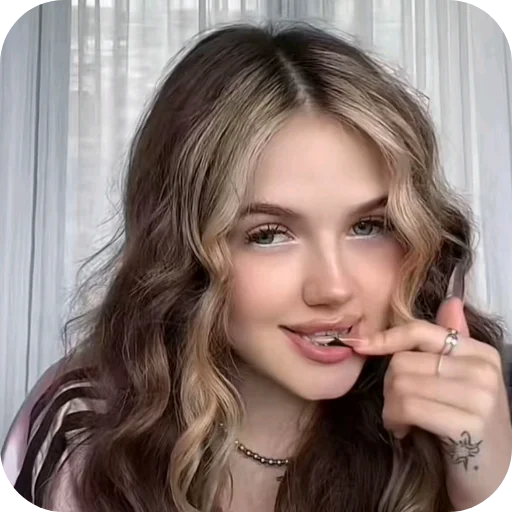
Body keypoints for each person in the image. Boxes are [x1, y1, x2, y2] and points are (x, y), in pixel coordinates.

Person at [9, 21, 512, 512]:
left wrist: (483, 487)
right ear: (182, 252)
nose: (333, 288)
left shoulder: (484, 408)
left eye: (368, 226)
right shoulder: (83, 428)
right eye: (269, 235)